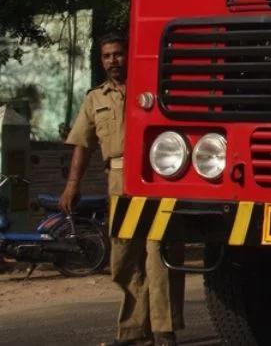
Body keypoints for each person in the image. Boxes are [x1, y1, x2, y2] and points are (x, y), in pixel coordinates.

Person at [60, 33, 183, 346]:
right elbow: (82, 145)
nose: (113, 61)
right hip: (119, 182)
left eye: (118, 54)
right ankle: (133, 331)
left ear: (130, 55)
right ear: (101, 61)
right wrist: (72, 185)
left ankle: (163, 330)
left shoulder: (154, 86)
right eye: (107, 56)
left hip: (157, 178)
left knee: (159, 252)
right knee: (124, 255)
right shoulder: (95, 98)